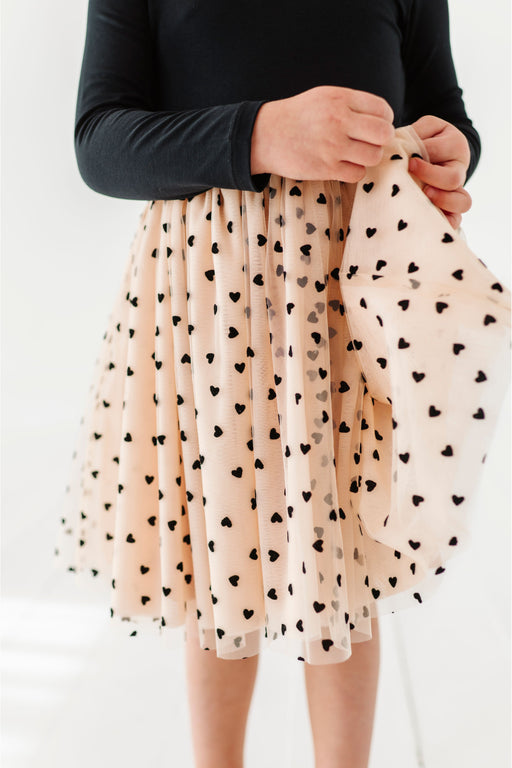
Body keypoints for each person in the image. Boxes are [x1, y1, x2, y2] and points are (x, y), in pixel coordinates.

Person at [56, 1, 483, 766]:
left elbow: (440, 107)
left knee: (344, 546)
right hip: (207, 301)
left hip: (353, 292)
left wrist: (453, 153)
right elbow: (100, 142)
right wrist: (259, 133)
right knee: (221, 551)